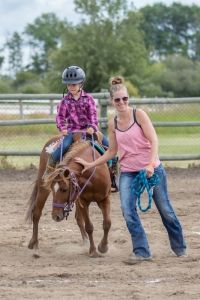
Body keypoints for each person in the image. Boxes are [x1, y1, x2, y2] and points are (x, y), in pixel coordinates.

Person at [75, 75, 187, 264]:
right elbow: (112, 151)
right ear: (112, 101)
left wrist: (151, 164)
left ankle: (179, 248)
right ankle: (142, 251)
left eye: (124, 98)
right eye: (117, 100)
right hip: (127, 171)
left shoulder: (139, 115)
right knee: (127, 210)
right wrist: (91, 164)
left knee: (165, 209)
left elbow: (154, 141)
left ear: (128, 99)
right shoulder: (113, 124)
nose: (121, 102)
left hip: (152, 169)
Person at [43, 66, 118, 191]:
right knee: (59, 150)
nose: (71, 87)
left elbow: (94, 116)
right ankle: (48, 171)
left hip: (89, 130)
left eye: (74, 84)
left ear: (81, 83)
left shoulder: (89, 99)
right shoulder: (64, 102)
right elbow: (60, 117)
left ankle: (115, 176)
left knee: (111, 148)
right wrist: (62, 128)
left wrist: (93, 127)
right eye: (69, 85)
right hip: (72, 131)